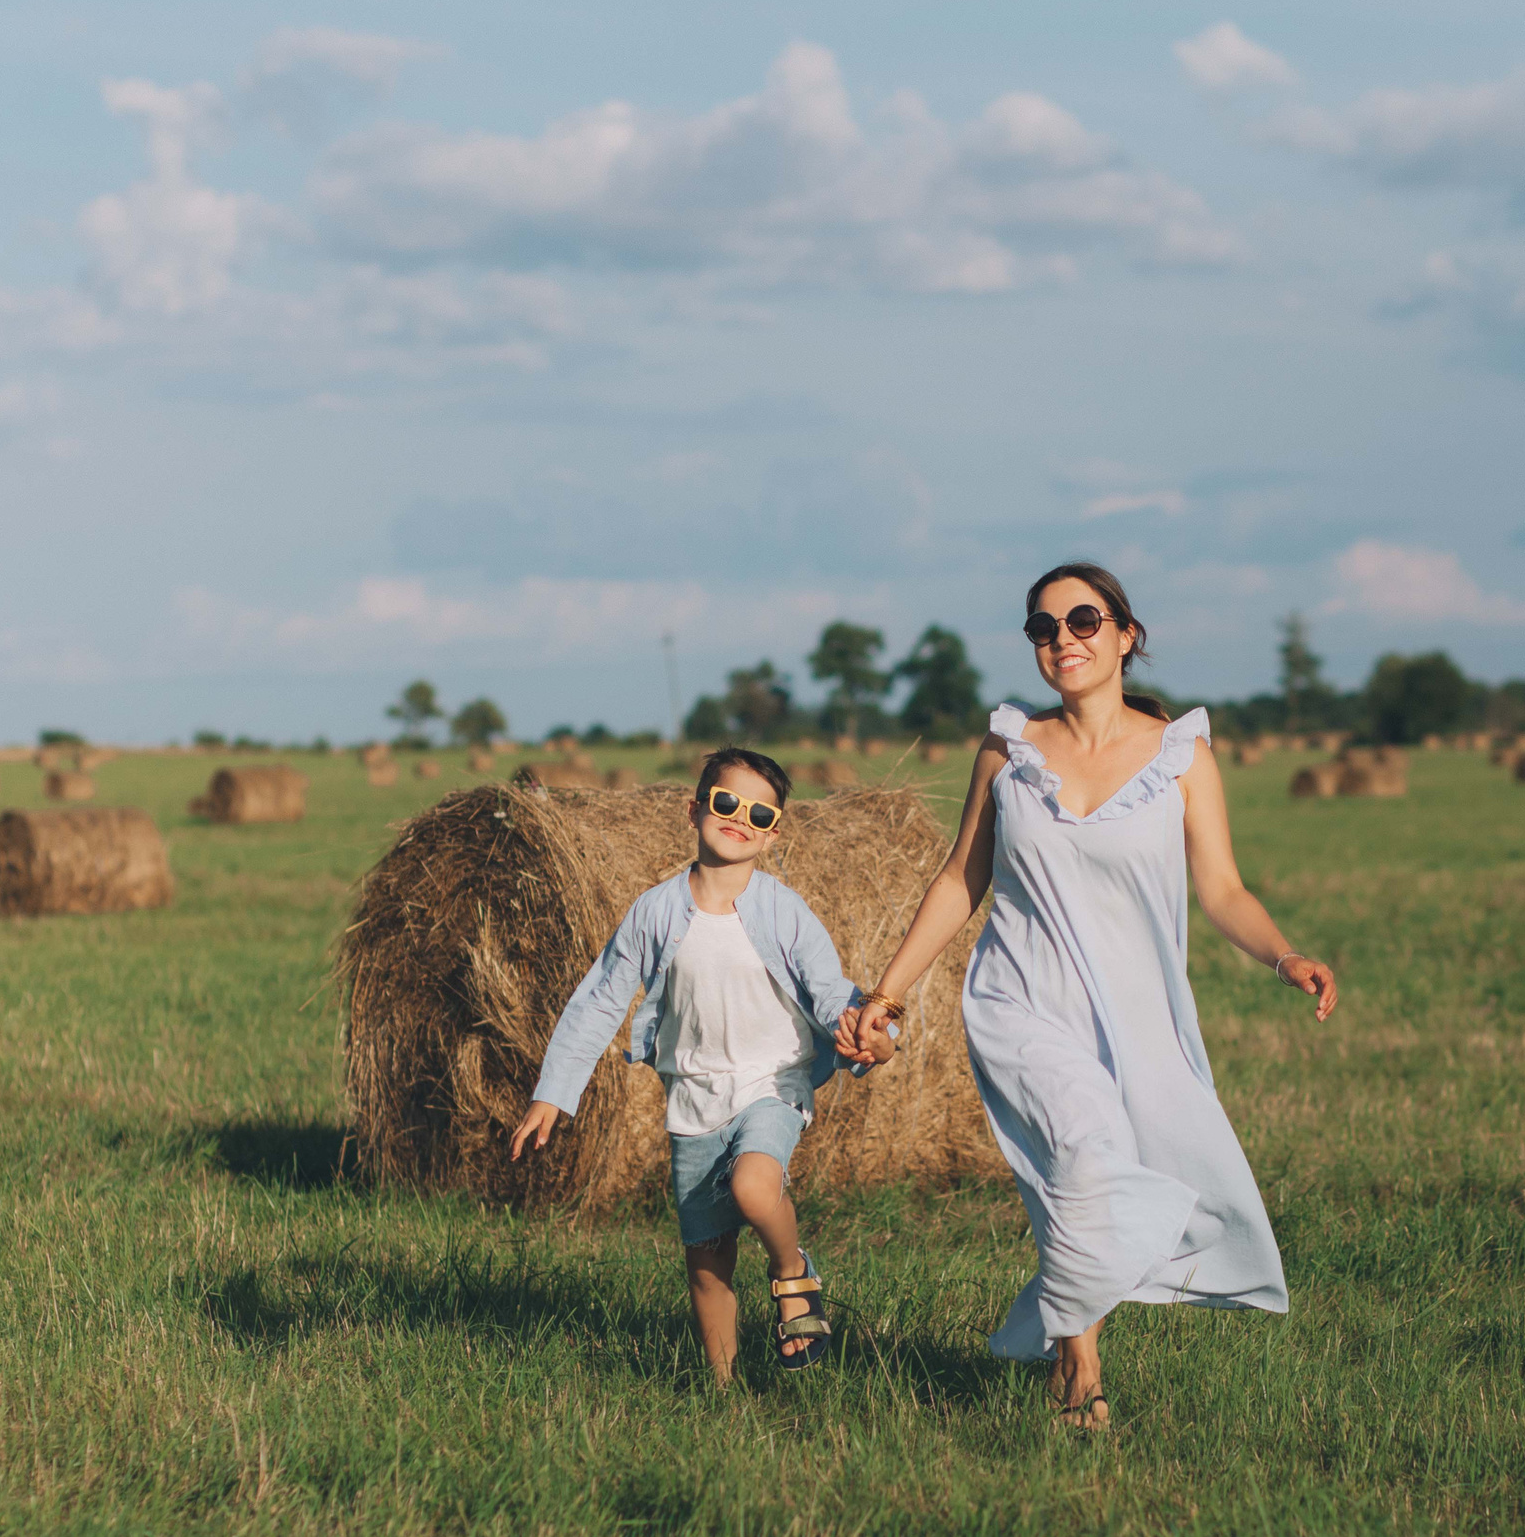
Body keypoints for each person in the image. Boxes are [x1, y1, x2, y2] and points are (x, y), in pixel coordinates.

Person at [835, 563, 1336, 1430]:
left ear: (1125, 633)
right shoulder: (1009, 748)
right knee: (1087, 1150)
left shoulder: (1182, 755)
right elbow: (963, 876)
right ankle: (1080, 1368)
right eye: (1042, 627)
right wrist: (886, 990)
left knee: (1094, 1178)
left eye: (1082, 620)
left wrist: (1284, 955)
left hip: (1135, 1014)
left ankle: (1061, 1337)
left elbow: (1221, 889)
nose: (1062, 638)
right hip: (1020, 1000)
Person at [510, 747, 893, 1384]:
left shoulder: (782, 910)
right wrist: (554, 1092)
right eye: (725, 803)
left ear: (773, 833)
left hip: (773, 1081)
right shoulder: (656, 911)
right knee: (708, 1261)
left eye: (759, 813)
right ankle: (721, 1387)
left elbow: (829, 990)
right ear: (694, 810)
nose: (739, 818)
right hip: (692, 1096)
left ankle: (791, 1271)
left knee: (753, 1186)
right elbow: (602, 996)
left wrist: (867, 1032)